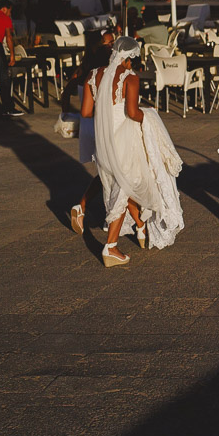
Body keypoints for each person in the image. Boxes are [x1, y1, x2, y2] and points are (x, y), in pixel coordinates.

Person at [81, 37, 184, 267]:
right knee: (125, 188)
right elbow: (133, 112)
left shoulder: (93, 75)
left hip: (104, 141)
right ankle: (111, 246)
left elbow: (87, 112)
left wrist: (105, 110)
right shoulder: (130, 78)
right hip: (124, 140)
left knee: (116, 186)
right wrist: (149, 114)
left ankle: (139, 225)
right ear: (129, 59)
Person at [68, 29, 115, 234]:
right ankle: (89, 208)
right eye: (109, 43)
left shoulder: (83, 68)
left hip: (88, 124)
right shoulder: (103, 70)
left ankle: (85, 208)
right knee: (111, 172)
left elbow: (65, 93)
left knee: (107, 171)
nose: (112, 46)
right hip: (101, 124)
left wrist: (66, 115)